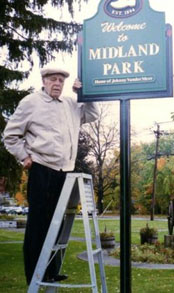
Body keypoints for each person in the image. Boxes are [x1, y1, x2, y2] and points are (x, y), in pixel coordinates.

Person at [3, 67, 99, 285]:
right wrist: (24, 157)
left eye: (61, 81)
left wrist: (83, 95)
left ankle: (51, 271)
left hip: (65, 171)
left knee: (57, 223)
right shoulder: (31, 102)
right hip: (42, 169)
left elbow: (92, 114)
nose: (57, 83)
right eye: (53, 79)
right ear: (44, 81)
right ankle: (34, 277)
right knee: (38, 224)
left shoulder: (70, 104)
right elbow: (10, 135)